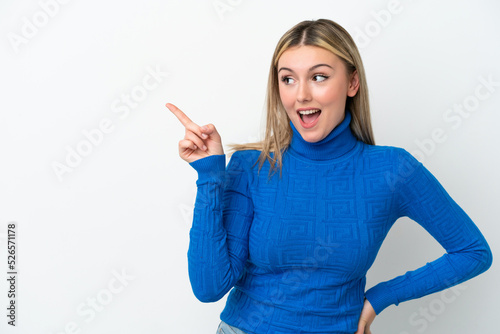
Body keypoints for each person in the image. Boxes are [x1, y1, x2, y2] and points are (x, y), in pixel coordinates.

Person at [168, 18, 493, 334]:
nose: (301, 96)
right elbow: (209, 288)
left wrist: (380, 299)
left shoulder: (394, 170)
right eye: (288, 79)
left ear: (352, 83)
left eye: (319, 77)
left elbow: (472, 252)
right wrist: (210, 176)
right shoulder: (251, 166)